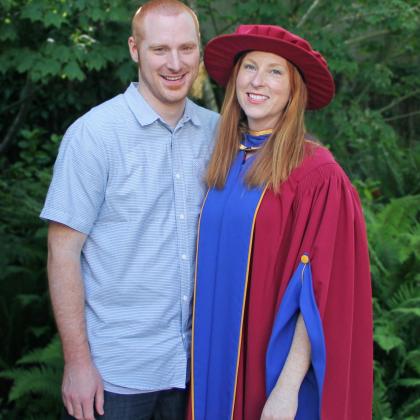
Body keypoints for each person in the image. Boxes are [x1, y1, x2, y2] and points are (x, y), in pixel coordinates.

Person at [40, 1, 218, 419]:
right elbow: (61, 253)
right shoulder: (94, 135)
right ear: (134, 50)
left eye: (186, 48)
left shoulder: (218, 132)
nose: (175, 63)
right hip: (114, 376)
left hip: (198, 370)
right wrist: (77, 363)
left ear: (200, 51)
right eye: (160, 50)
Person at [189, 25, 372, 420]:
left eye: (275, 71)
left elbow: (320, 293)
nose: (257, 81)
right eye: (250, 66)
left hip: (271, 377)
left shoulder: (316, 174)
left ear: (294, 90)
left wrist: (287, 390)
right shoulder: (226, 160)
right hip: (212, 364)